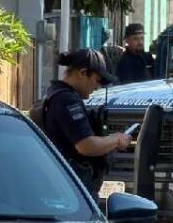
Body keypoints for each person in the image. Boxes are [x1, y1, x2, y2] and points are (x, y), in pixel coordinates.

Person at [34, 49, 132, 196]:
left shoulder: (54, 94)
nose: (97, 87)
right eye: (97, 80)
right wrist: (117, 139)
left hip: (59, 184)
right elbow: (86, 146)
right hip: (69, 190)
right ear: (83, 73)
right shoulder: (66, 99)